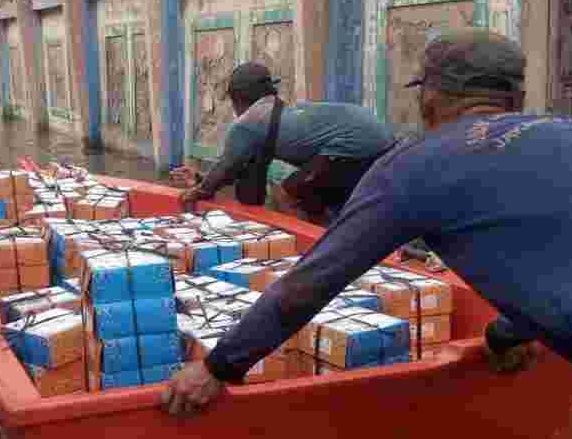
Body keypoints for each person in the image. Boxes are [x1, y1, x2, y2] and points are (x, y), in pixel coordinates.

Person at [162, 29, 572, 416]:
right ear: (517, 97)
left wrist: (218, 367)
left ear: (428, 98)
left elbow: (314, 279)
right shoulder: (561, 130)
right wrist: (507, 333)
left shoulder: (416, 166)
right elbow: (539, 246)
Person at [172, 62, 396, 224]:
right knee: (312, 195)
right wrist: (203, 178)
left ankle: (311, 252)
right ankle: (325, 236)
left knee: (286, 194)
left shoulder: (248, 123)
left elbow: (227, 166)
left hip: (356, 143)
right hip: (376, 137)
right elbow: (234, 170)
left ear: (237, 98)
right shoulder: (274, 109)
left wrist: (199, 190)